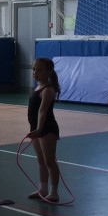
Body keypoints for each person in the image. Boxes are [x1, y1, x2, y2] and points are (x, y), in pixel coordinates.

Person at [27, 57, 61, 202]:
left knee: (49, 161)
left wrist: (39, 129)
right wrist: (35, 129)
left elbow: (43, 111)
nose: (35, 72)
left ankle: (54, 192)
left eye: (39, 70)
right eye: (34, 69)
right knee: (41, 161)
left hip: (47, 129)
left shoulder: (48, 90)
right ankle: (43, 189)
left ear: (49, 72)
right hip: (36, 129)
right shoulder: (38, 87)